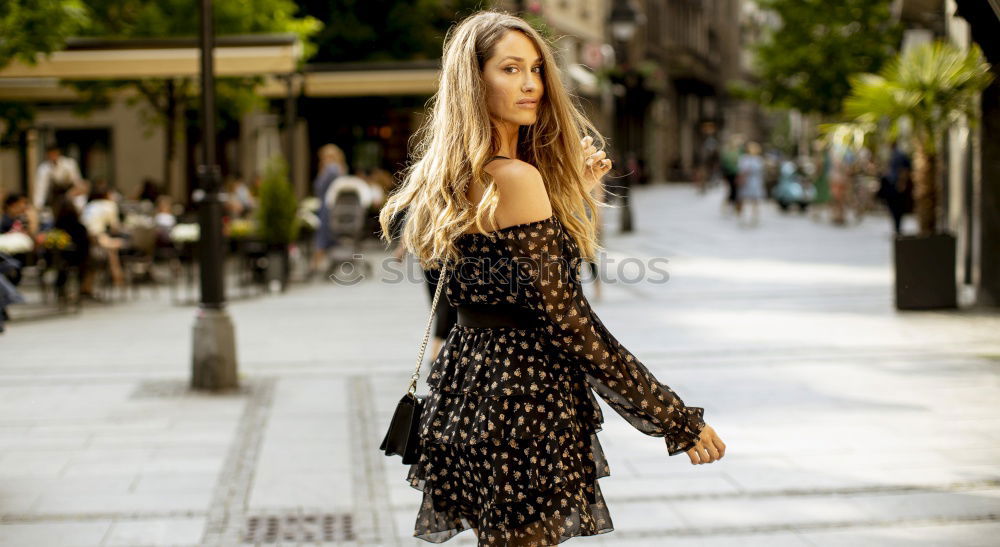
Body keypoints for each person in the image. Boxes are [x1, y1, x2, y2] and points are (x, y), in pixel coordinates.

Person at [377, 11, 724, 546]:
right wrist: (672, 418)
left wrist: (569, 200)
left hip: (472, 390)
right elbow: (571, 324)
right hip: (524, 404)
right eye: (510, 69)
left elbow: (501, 278)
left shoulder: (459, 174)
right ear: (474, 79)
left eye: (536, 68)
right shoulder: (514, 178)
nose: (531, 84)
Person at [311, 144, 346, 274]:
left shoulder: (330, 170)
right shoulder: (339, 169)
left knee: (321, 236)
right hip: (332, 207)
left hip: (326, 208)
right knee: (326, 236)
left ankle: (315, 265)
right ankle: (320, 264)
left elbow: (318, 187)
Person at [34, 144, 82, 209]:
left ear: (58, 153)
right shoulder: (44, 168)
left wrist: (74, 192)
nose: (53, 156)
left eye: (54, 153)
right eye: (50, 154)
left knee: (79, 201)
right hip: (54, 195)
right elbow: (41, 188)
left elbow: (77, 182)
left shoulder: (69, 164)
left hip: (70, 192)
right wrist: (38, 206)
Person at [737, 141, 765, 226]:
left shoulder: (758, 159)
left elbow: (761, 170)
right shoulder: (745, 158)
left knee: (755, 200)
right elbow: (741, 169)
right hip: (747, 181)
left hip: (755, 181)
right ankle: (743, 217)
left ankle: (754, 217)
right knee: (744, 199)